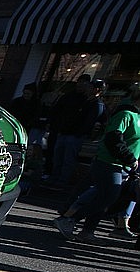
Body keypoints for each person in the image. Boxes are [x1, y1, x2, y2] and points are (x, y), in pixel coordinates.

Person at [52, 89, 139, 242]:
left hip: (122, 166)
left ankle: (87, 230)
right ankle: (70, 220)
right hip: (109, 163)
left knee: (103, 197)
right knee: (107, 197)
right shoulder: (126, 115)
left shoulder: (137, 116)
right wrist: (129, 158)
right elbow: (113, 138)